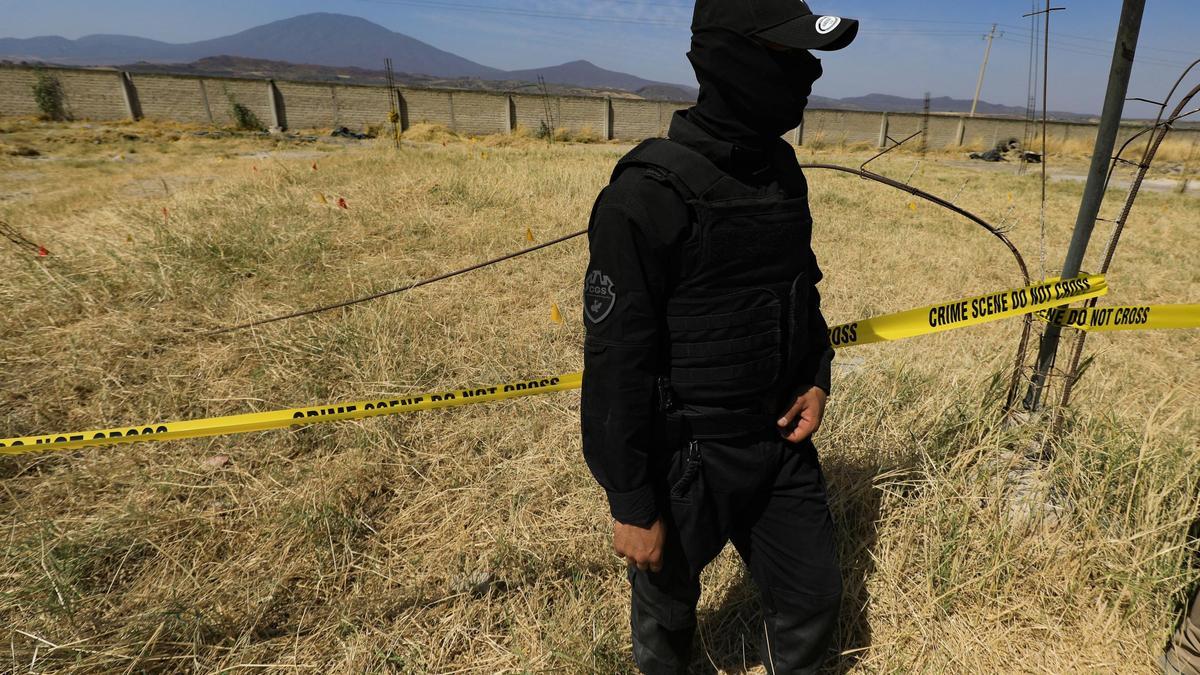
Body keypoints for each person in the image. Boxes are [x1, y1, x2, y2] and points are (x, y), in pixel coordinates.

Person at [579, 1, 859, 673]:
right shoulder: (645, 196)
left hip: (778, 442)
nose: (808, 73)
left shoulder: (782, 172)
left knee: (814, 598)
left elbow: (802, 291)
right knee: (667, 615)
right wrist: (632, 501)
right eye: (787, 55)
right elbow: (616, 365)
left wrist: (815, 375)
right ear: (730, 60)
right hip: (687, 459)